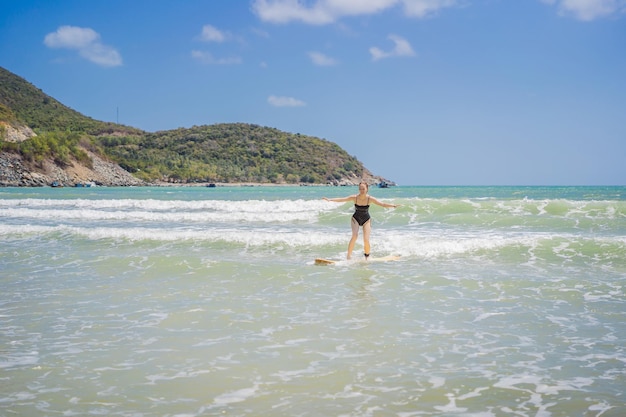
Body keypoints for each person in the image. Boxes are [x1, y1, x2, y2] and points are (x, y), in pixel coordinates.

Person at [323, 182, 399, 260]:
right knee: (354, 236)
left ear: (367, 189)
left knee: (366, 239)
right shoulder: (354, 197)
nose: (361, 190)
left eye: (363, 189)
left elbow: (382, 204)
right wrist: (330, 200)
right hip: (355, 218)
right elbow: (343, 199)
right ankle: (348, 256)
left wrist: (393, 206)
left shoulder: (370, 199)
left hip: (366, 219)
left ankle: (367, 256)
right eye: (360, 189)